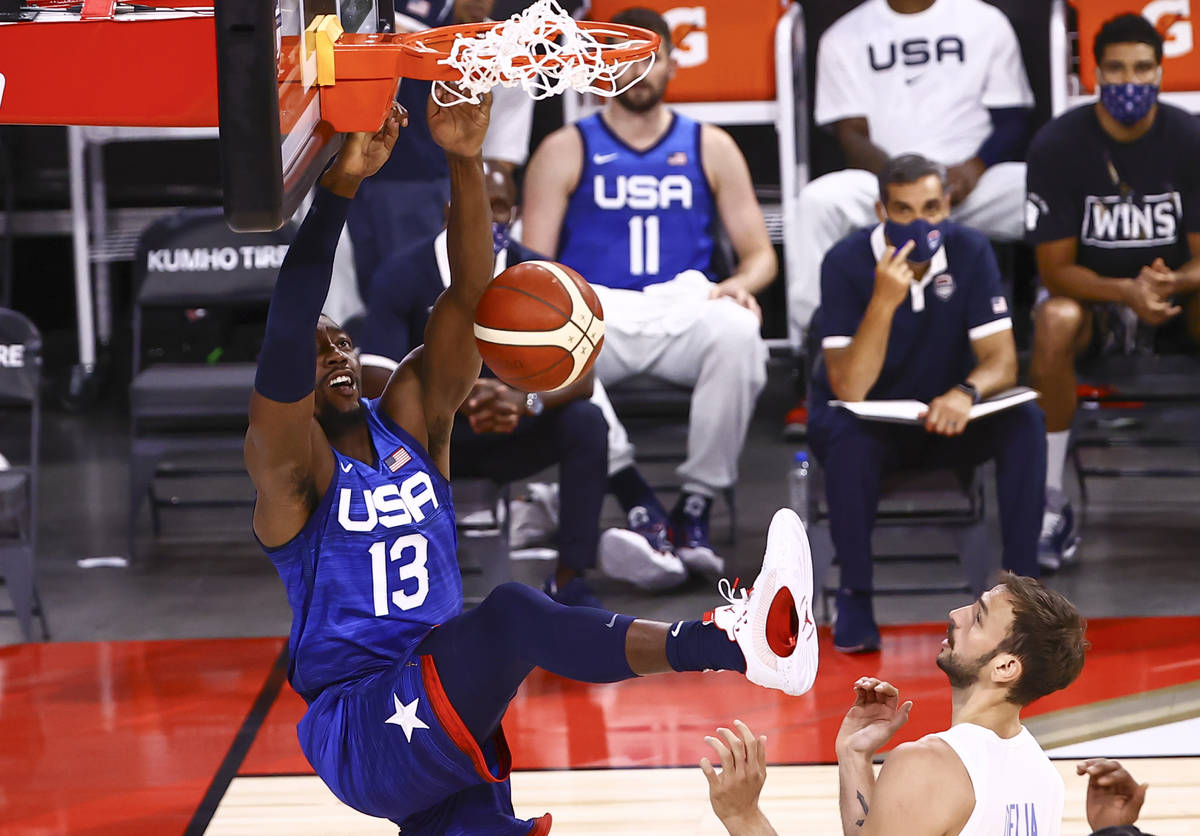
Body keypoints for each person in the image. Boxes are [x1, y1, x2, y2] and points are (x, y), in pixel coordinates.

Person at [244, 93, 820, 834]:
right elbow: (289, 321)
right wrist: (341, 189)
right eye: (319, 351)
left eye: (342, 343)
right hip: (368, 720)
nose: (335, 354)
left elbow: (474, 300)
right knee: (513, 613)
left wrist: (464, 157)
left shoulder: (415, 423)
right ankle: (731, 643)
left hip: (438, 692)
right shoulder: (293, 473)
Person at [523, 6, 777, 578]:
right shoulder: (566, 146)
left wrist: (737, 286)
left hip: (684, 302)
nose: (638, 70)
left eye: (650, 57)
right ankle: (636, 498)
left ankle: (695, 508)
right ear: (601, 68)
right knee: (554, 344)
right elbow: (532, 263)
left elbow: (761, 253)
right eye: (623, 59)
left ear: (670, 62)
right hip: (595, 308)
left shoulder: (709, 144)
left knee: (739, 332)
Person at [360, 163, 686, 606]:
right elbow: (376, 375)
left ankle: (571, 577)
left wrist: (524, 399)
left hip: (511, 428)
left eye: (498, 208)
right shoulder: (402, 272)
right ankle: (394, 578)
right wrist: (456, 397)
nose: (489, 220)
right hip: (435, 437)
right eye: (477, 208)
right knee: (373, 430)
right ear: (449, 212)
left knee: (587, 422)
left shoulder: (540, 275)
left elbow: (583, 378)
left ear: (512, 213)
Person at [807, 154, 1045, 653]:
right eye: (904, 210)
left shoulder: (971, 251)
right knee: (847, 440)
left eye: (932, 208)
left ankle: (1026, 595)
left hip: (947, 418)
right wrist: (883, 301)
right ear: (880, 211)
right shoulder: (845, 262)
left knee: (1025, 419)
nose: (921, 223)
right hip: (871, 425)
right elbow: (849, 387)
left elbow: (1002, 361)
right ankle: (856, 596)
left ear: (948, 206)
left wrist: (967, 392)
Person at [784, 0, 1034, 436]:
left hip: (969, 180)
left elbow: (1013, 121)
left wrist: (974, 167)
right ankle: (815, 364)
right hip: (889, 188)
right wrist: (899, 186)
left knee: (1040, 190)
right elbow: (851, 133)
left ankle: (1065, 341)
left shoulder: (983, 20)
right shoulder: (845, 34)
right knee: (817, 202)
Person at [700, 573, 1089, 836]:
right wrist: (855, 757)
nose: (956, 615)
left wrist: (744, 816)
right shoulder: (1043, 777)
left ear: (1005, 666)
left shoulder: (928, 765)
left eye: (978, 618)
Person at [1026, 13, 1200, 572]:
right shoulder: (1058, 144)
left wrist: (1172, 282)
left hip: (1176, 297)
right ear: (1094, 74)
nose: (1130, 81)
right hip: (1096, 301)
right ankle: (1048, 499)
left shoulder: (1190, 139)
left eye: (1142, 68)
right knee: (1052, 317)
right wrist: (1126, 292)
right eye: (1117, 69)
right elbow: (1055, 271)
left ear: (1160, 71)